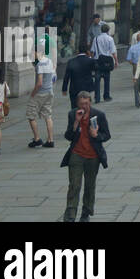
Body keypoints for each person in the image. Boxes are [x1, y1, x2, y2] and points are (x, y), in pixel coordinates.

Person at [61, 92, 109, 222]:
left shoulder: (99, 115)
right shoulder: (72, 114)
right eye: (82, 104)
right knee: (74, 185)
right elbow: (68, 136)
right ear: (77, 104)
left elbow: (107, 135)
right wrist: (76, 122)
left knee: (89, 185)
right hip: (76, 154)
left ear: (90, 103)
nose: (85, 106)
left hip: (93, 156)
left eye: (87, 103)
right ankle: (70, 215)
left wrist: (96, 135)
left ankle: (86, 213)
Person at [26, 42, 56, 149]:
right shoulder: (49, 61)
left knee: (31, 115)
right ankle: (50, 140)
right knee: (48, 116)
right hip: (49, 91)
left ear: (38, 52)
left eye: (33, 52)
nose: (32, 54)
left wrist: (33, 93)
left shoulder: (40, 64)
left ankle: (37, 139)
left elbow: (39, 82)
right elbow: (53, 77)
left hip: (40, 93)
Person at [92, 23, 117, 103]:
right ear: (108, 30)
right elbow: (113, 51)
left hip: (98, 61)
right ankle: (106, 96)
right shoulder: (110, 39)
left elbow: (92, 51)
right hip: (107, 61)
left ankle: (97, 97)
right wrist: (116, 61)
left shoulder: (96, 39)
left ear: (101, 30)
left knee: (97, 80)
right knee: (107, 80)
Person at [125, 32, 140, 107]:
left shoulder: (132, 47)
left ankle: (137, 100)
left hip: (136, 65)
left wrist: (134, 64)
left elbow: (128, 59)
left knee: (136, 83)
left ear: (137, 39)